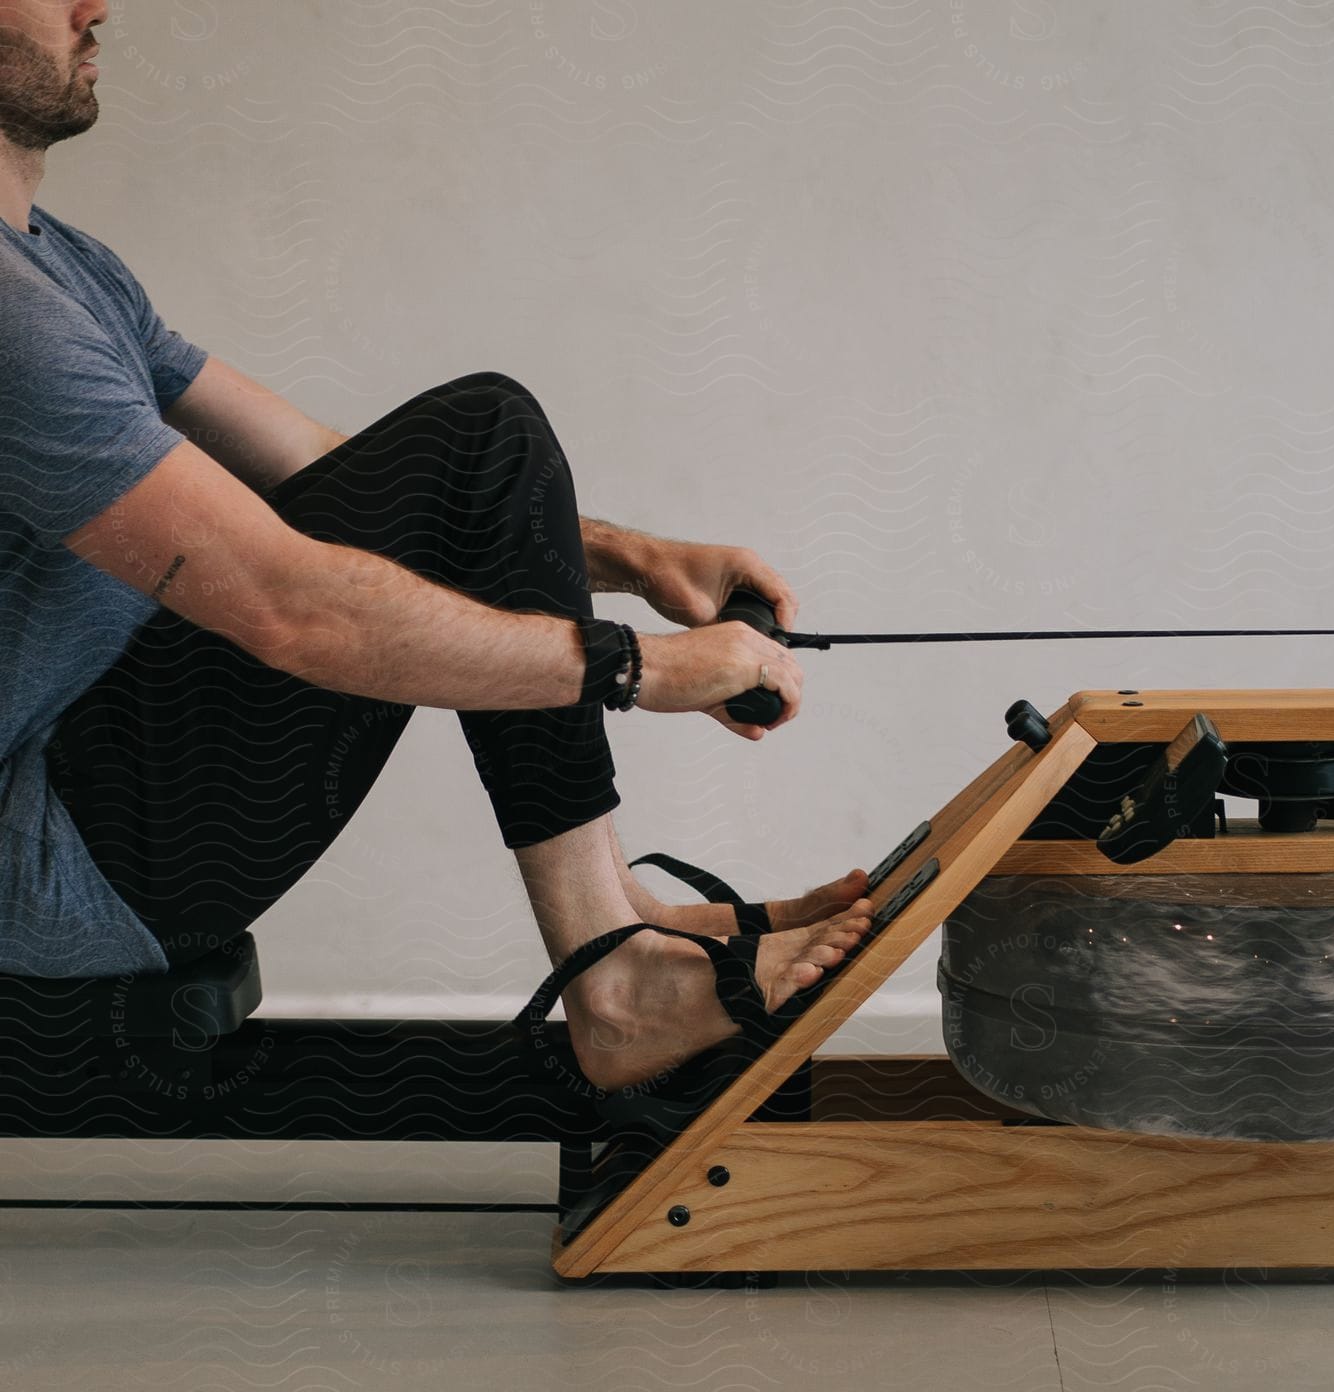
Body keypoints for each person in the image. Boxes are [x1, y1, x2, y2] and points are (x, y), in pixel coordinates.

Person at [0, 0, 874, 1099]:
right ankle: (613, 979)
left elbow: (325, 467)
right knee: (481, 431)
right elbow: (289, 604)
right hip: (48, 863)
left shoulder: (64, 269)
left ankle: (622, 926)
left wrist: (639, 556)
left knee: (480, 438)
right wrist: (634, 668)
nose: (96, 7)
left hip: (87, 796)